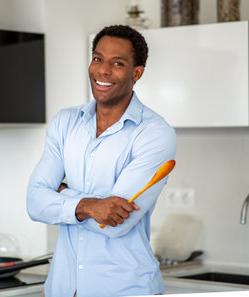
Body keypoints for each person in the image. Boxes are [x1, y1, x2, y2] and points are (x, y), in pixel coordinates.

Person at [26, 24, 177, 297]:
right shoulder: (65, 121)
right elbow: (34, 202)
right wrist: (89, 205)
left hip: (125, 289)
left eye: (117, 63)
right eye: (97, 59)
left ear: (137, 72)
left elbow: (115, 223)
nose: (103, 70)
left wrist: (61, 192)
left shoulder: (155, 133)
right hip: (62, 288)